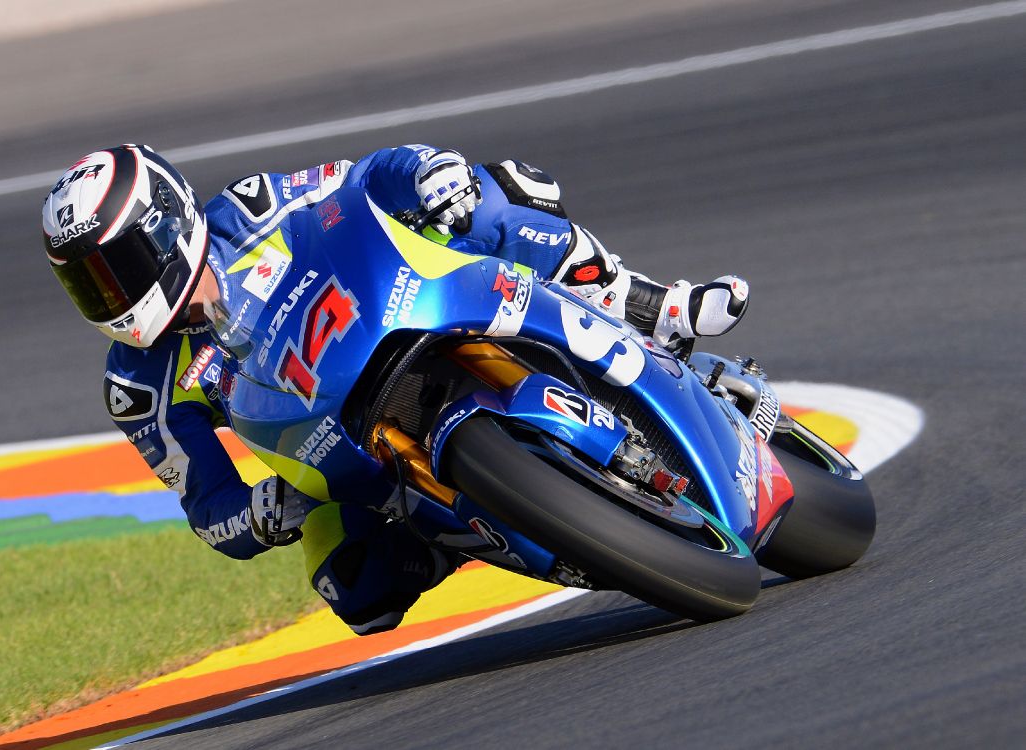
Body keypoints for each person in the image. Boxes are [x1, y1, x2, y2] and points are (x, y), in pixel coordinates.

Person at [42, 143, 749, 635]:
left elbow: (363, 180)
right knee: (353, 593)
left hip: (412, 308)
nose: (111, 294)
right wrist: (260, 511)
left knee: (493, 196)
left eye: (118, 266)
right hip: (336, 441)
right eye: (88, 281)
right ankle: (466, 533)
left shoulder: (250, 210)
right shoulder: (136, 385)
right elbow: (208, 510)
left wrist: (424, 173)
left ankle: (652, 304)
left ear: (165, 222)